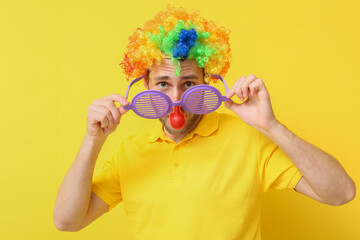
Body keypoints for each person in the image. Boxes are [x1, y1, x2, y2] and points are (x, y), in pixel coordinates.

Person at [53, 5, 356, 239]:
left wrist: (271, 126)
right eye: (163, 84)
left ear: (206, 82)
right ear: (145, 86)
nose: (175, 99)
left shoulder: (247, 139)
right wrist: (93, 140)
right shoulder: (129, 153)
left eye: (187, 83)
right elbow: (67, 221)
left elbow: (341, 192)